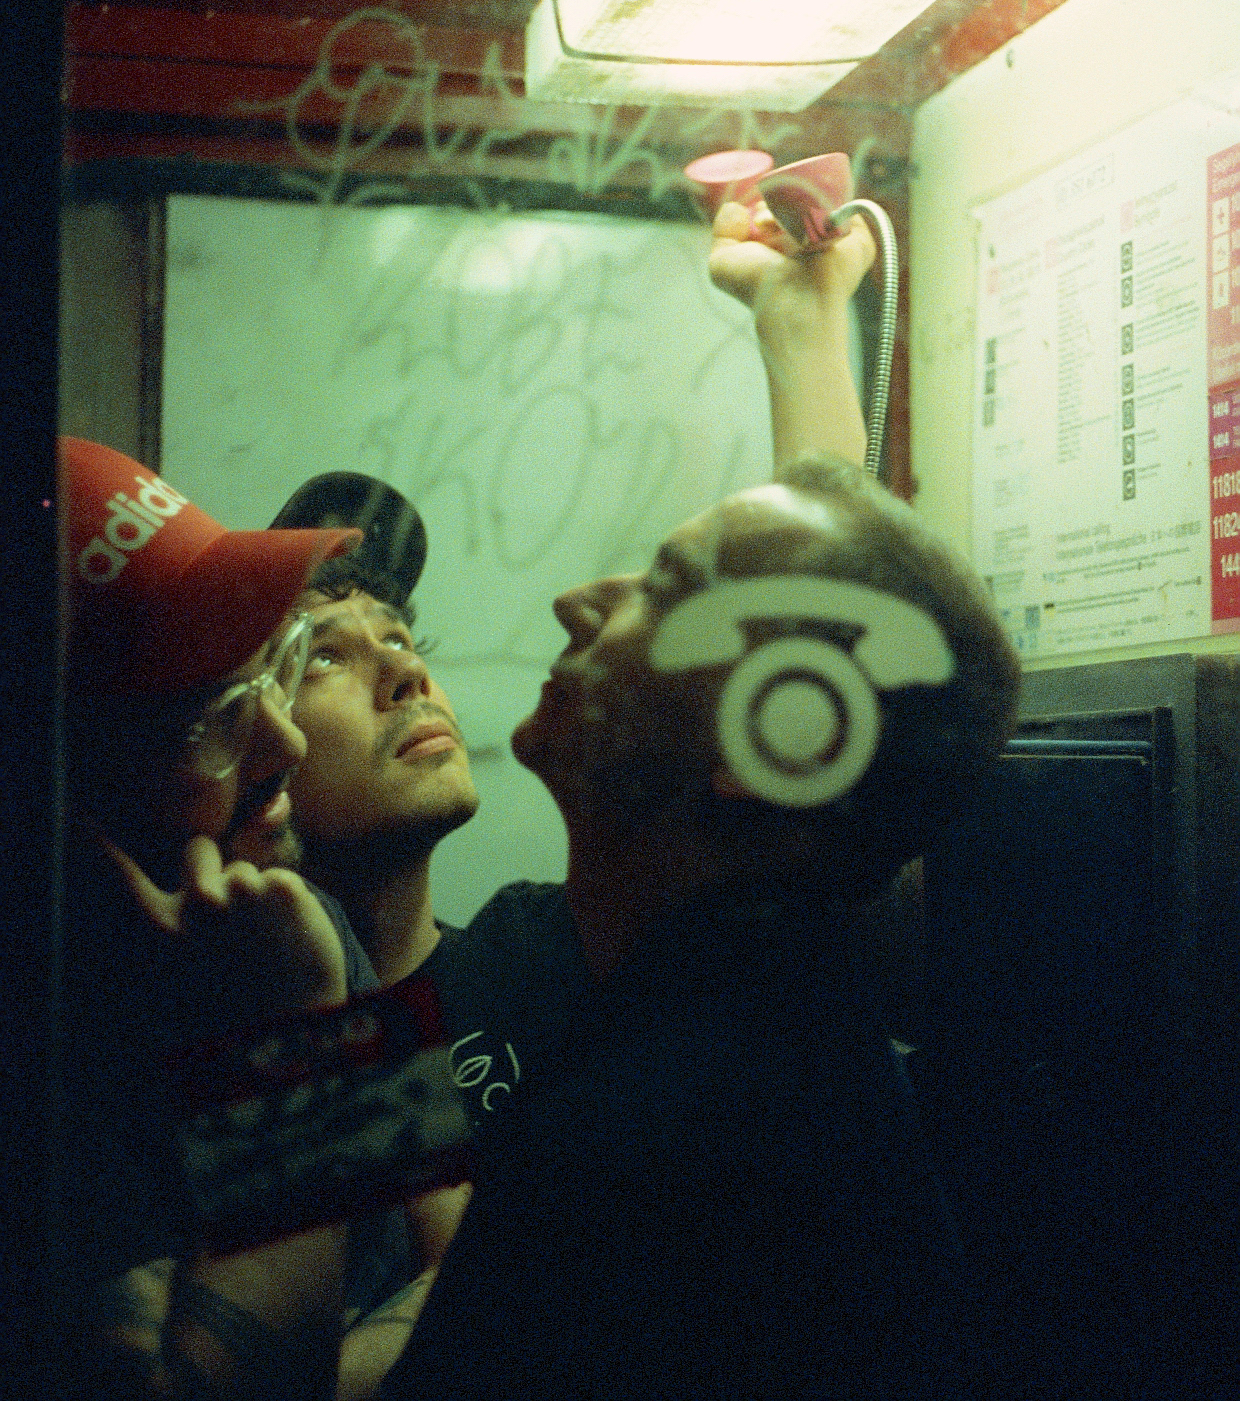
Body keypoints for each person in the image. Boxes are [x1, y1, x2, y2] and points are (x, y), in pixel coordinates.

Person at [141, 452, 1017, 1398]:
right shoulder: (739, 1035)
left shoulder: (668, 1144)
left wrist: (297, 1038)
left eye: (665, 588)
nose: (577, 601)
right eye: (315, 660)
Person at [55, 439, 448, 1393]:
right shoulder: (56, 1038)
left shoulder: (297, 917)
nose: (288, 739)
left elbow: (478, 1264)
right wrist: (292, 1030)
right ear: (62, 786)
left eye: (278, 670)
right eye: (217, 719)